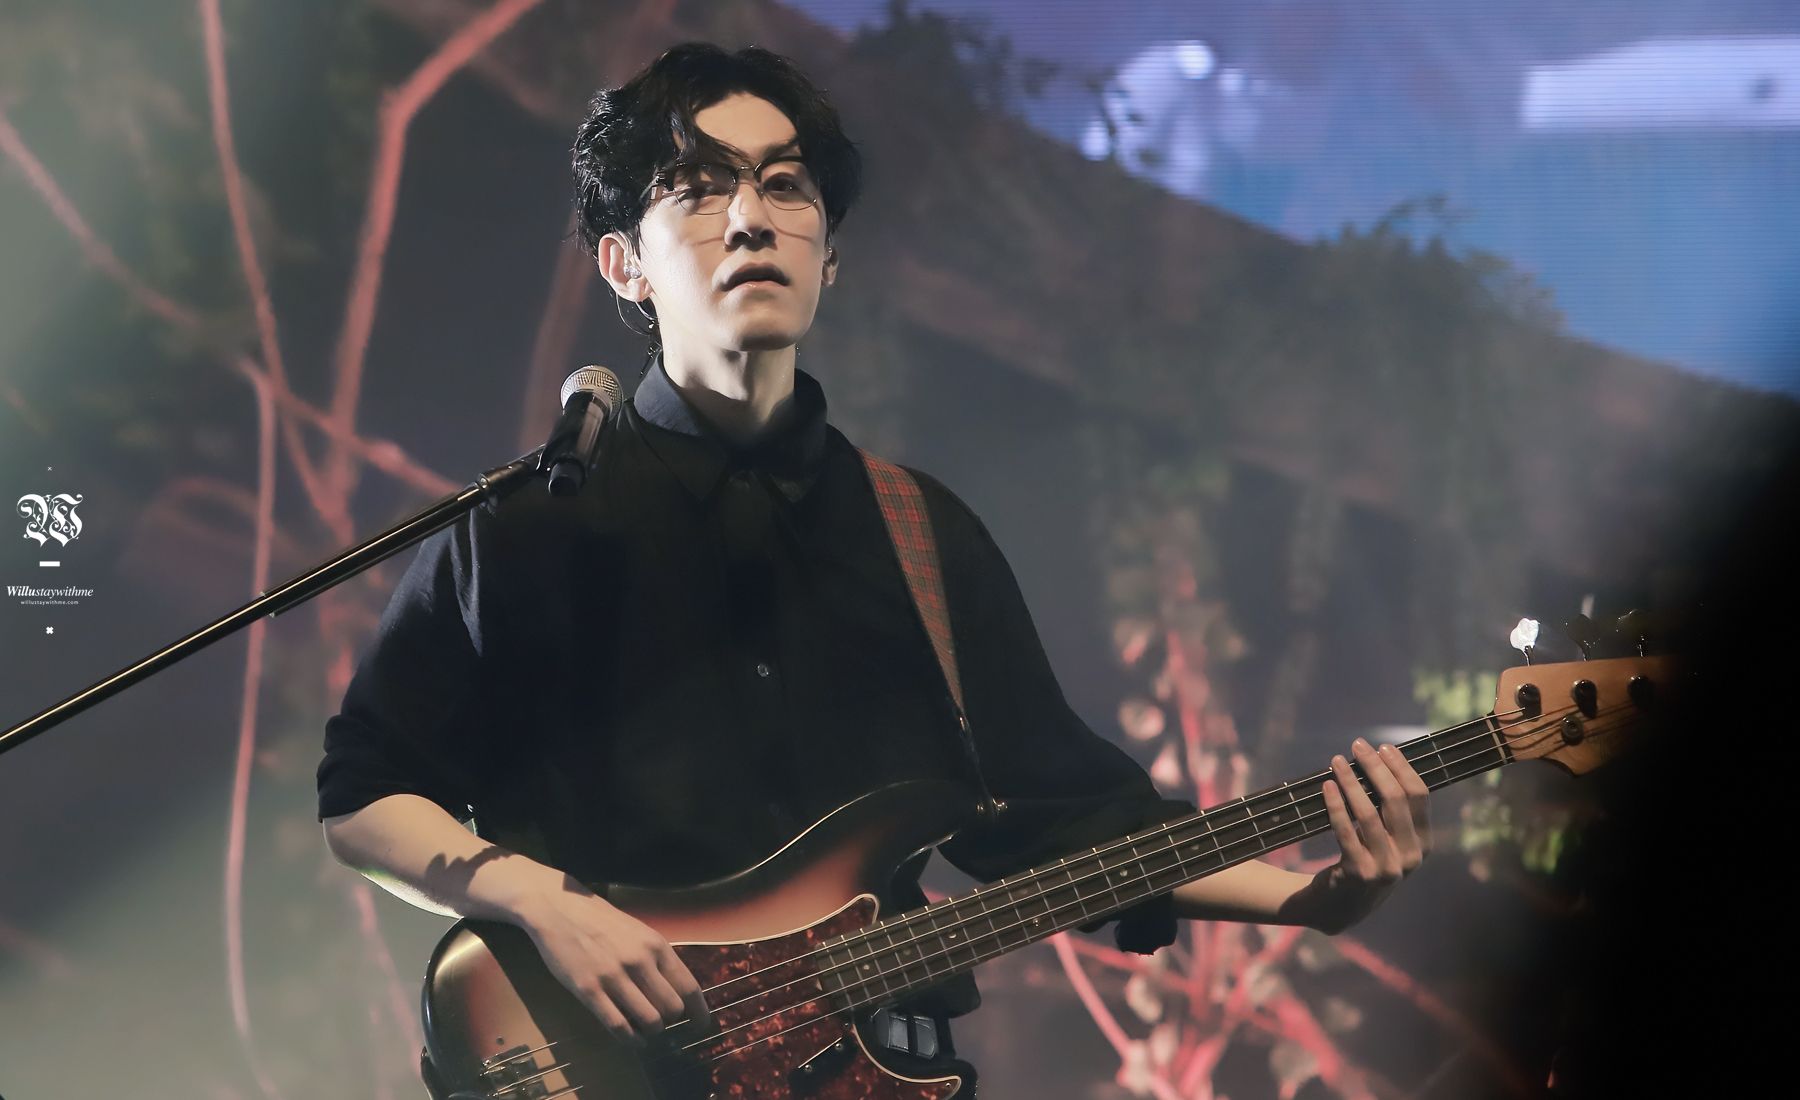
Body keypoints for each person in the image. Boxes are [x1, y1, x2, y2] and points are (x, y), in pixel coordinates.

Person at [318, 41, 1429, 1078]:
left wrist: (1314, 899)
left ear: (830, 257)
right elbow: (364, 794)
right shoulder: (525, 523)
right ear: (625, 265)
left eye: (785, 185)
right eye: (697, 189)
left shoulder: (922, 534)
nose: (750, 219)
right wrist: (544, 903)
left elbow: (1072, 817)